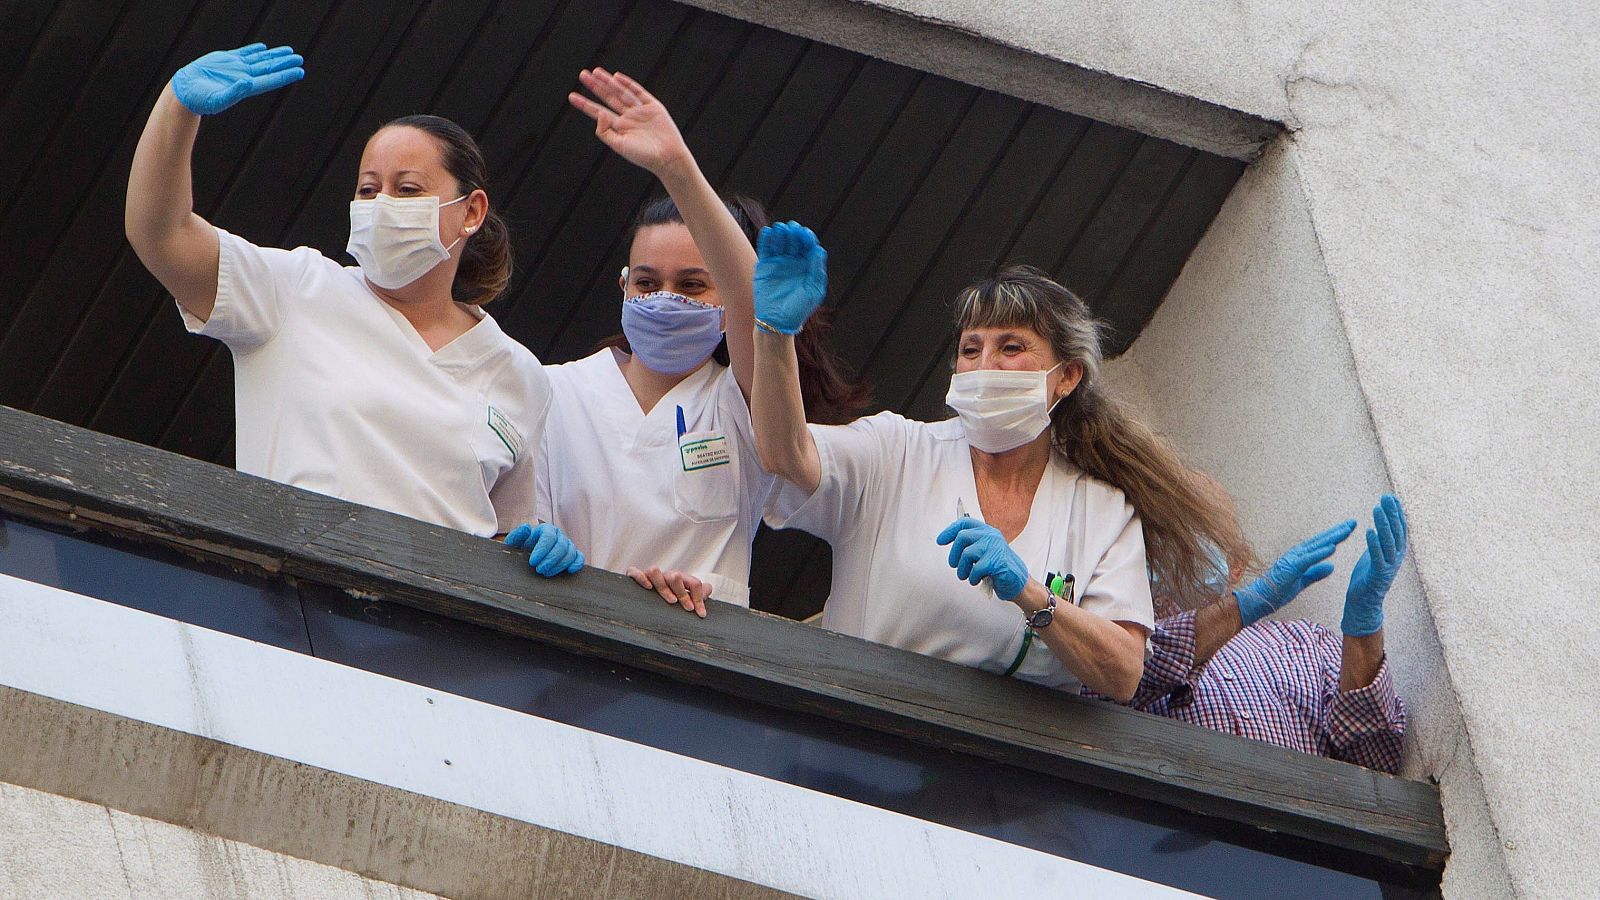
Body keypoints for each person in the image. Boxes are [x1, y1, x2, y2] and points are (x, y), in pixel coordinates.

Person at [125, 43, 581, 576]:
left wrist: (535, 545)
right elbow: (161, 234)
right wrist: (177, 110)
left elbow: (505, 536)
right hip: (288, 601)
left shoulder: (519, 373)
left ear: (471, 212)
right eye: (368, 189)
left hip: (435, 633)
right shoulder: (294, 289)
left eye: (407, 189)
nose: (382, 204)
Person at [750, 226, 1254, 700]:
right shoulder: (895, 451)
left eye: (1011, 347)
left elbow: (1123, 672)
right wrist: (774, 333)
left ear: (1067, 377)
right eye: (971, 349)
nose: (985, 365)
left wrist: (1033, 596)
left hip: (1003, 774)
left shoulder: (1101, 510)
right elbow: (784, 454)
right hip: (862, 737)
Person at [525, 69, 863, 616]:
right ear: (622, 287)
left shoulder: (741, 402)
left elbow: (760, 313)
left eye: (691, 285)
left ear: (728, 303)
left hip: (694, 659)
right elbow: (511, 527)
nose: (665, 298)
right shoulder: (550, 388)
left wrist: (676, 168)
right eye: (647, 283)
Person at [1113, 497, 1409, 772]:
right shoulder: (1123, 637)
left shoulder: (1304, 640)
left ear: (1237, 565)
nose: (1179, 547)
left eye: (1196, 532)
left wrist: (1364, 621)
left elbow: (1375, 758)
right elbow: (1108, 694)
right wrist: (1243, 607)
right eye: (1166, 531)